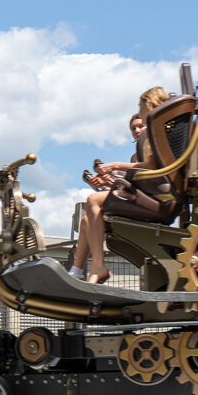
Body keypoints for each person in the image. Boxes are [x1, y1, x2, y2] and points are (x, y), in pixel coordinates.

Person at [70, 87, 169, 283]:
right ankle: (77, 272)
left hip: (154, 200)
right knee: (86, 219)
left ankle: (97, 267)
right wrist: (110, 181)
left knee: (92, 201)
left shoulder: (156, 134)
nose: (138, 129)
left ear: (149, 106)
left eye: (140, 109)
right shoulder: (147, 143)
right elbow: (137, 178)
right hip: (143, 195)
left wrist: (114, 167)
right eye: (134, 128)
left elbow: (151, 168)